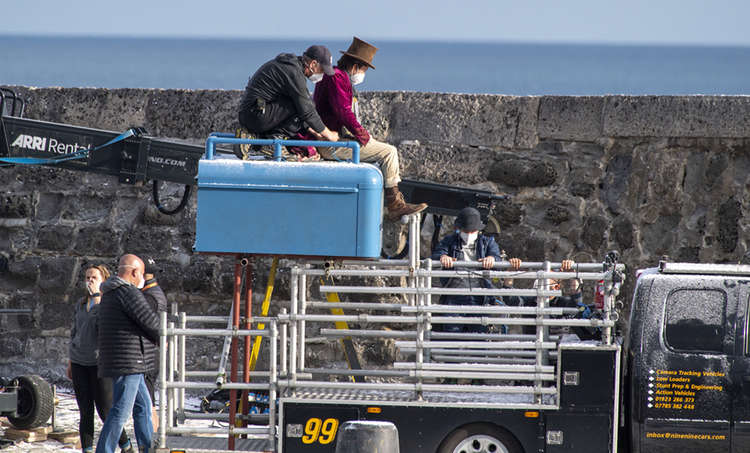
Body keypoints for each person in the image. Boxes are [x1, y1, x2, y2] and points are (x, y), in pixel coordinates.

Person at [312, 37, 427, 220]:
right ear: (356, 66)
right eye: (364, 69)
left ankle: (393, 201)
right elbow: (344, 113)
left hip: (330, 138)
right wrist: (363, 135)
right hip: (329, 144)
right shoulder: (337, 79)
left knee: (380, 149)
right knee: (389, 152)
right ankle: (395, 205)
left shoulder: (335, 76)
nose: (363, 74)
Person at [96, 254, 160, 453]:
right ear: (134, 272)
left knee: (143, 406)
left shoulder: (109, 293)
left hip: (123, 360)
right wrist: (166, 333)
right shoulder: (128, 292)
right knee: (121, 411)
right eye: (140, 273)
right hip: (130, 361)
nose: (142, 278)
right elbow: (150, 322)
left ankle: (147, 447)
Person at [68, 265, 133, 453]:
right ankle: (87, 449)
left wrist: (97, 297)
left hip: (99, 363)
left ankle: (126, 445)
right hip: (79, 360)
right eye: (87, 277)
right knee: (85, 411)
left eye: (94, 278)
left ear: (103, 281)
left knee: (105, 410)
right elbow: (74, 332)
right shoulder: (80, 303)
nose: (89, 281)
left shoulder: (106, 304)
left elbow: (104, 329)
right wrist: (70, 361)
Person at [237, 45, 340, 153]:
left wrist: (316, 133)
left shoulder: (291, 66)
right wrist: (330, 135)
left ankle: (253, 138)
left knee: (300, 103)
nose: (322, 75)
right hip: (256, 115)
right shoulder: (294, 72)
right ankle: (272, 143)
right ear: (313, 64)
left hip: (252, 114)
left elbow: (302, 112)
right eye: (322, 70)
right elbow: (307, 111)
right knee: (304, 104)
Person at [432, 207, 518, 333]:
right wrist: (443, 257)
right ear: (459, 229)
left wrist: (491, 259)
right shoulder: (449, 241)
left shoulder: (487, 242)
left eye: (472, 231)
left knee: (479, 336)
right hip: (454, 297)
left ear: (478, 230)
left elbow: (497, 257)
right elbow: (437, 253)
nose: (469, 234)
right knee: (451, 335)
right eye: (466, 231)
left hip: (480, 298)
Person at [140, 257, 167, 433]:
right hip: (152, 353)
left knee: (147, 401)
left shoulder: (149, 297)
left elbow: (146, 324)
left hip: (148, 355)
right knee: (148, 400)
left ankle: (152, 436)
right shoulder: (154, 292)